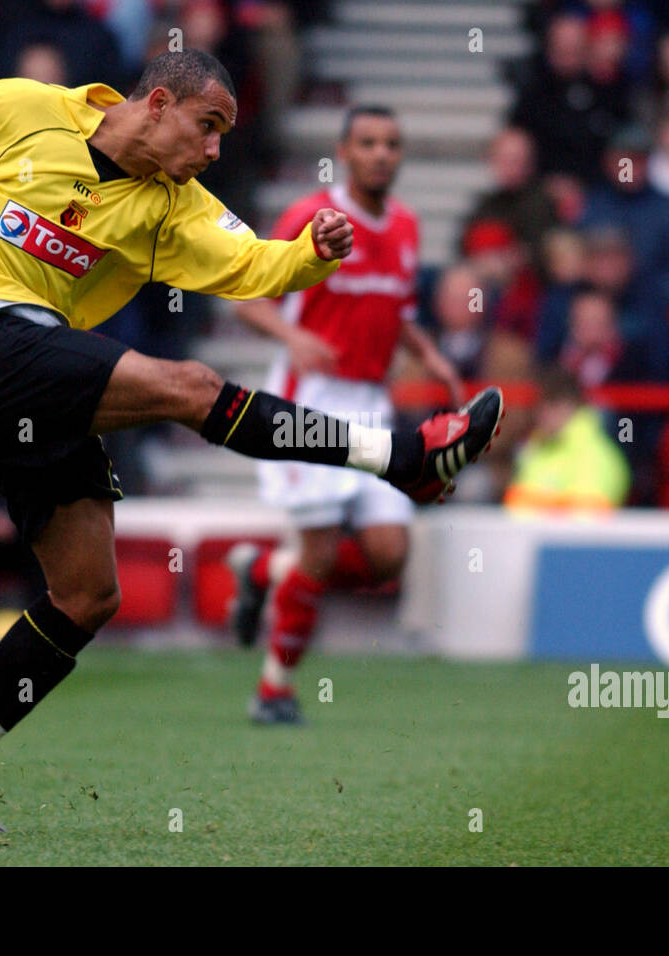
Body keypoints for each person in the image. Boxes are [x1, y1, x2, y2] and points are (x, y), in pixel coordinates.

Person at [0, 49, 502, 832]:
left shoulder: (173, 205)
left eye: (223, 138)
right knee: (193, 387)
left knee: (88, 594)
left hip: (35, 372)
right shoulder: (26, 110)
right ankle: (399, 458)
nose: (212, 153)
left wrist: (308, 255)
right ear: (159, 103)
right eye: (207, 128)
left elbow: (248, 262)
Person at [226, 105, 463, 724]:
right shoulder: (311, 215)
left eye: (391, 143)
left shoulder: (407, 226)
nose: (382, 153)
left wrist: (428, 353)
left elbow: (397, 307)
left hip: (370, 403)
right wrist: (292, 337)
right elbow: (246, 296)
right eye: (368, 143)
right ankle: (274, 690)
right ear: (345, 151)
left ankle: (262, 568)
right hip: (310, 402)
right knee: (322, 550)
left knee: (389, 554)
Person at [504, 365, 629, 513]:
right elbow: (516, 507)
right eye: (539, 406)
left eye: (552, 405)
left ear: (572, 406)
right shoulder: (535, 450)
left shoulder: (597, 455)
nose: (542, 414)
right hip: (527, 534)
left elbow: (586, 519)